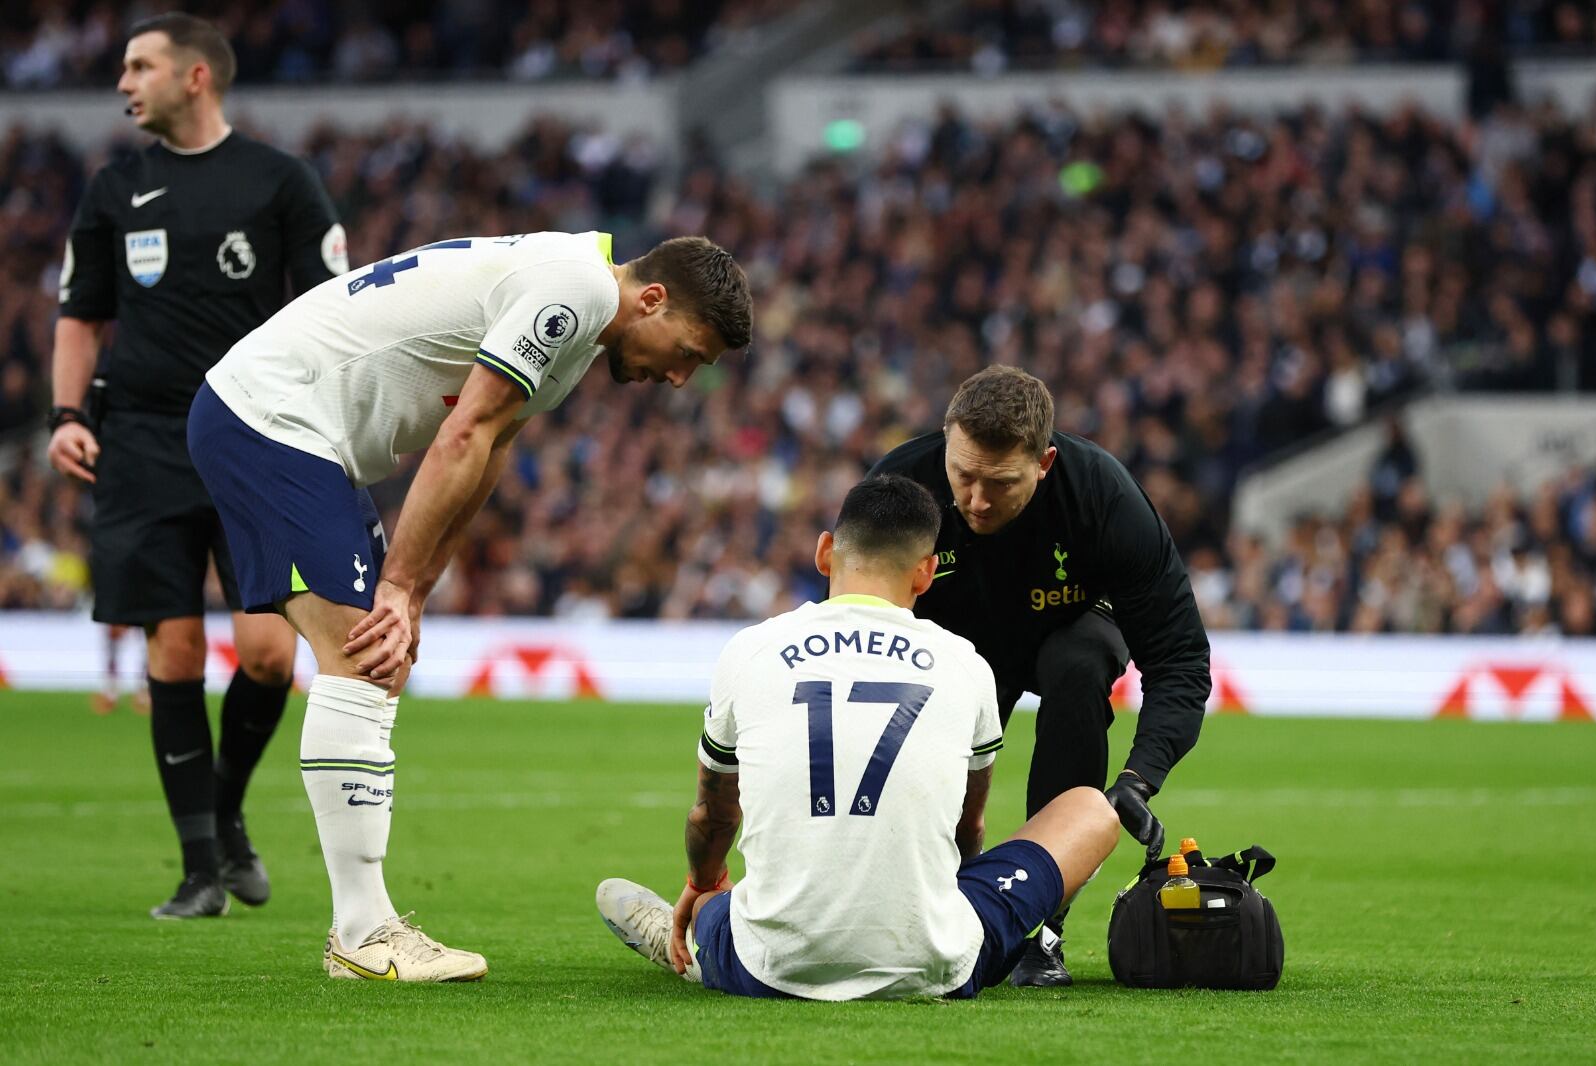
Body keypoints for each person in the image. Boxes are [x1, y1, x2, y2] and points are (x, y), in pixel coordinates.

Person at [187, 230, 752, 981]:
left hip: (301, 431)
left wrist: (413, 589)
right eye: (688, 351)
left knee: (378, 661)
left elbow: (490, 452)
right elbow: (462, 434)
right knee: (362, 656)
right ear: (652, 300)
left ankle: (365, 928)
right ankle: (362, 935)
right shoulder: (575, 290)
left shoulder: (577, 321)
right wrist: (394, 586)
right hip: (273, 418)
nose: (681, 377)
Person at [594, 474, 1122, 999]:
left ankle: (690, 939)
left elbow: (712, 815)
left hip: (773, 966)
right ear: (926, 574)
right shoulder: (966, 663)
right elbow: (968, 829)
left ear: (825, 552)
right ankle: (926, 934)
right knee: (1092, 812)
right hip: (939, 964)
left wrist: (702, 884)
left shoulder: (750, 649)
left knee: (715, 906)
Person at [48, 13, 348, 919]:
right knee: (172, 649)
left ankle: (223, 818)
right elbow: (80, 314)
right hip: (138, 437)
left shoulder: (279, 181)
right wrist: (67, 413)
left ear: (196, 78)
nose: (123, 81)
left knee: (266, 655)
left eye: (140, 65)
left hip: (253, 432)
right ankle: (197, 872)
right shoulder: (113, 188)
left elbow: (338, 307)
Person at [866, 365, 1212, 986]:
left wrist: (1139, 778)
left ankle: (1041, 930)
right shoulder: (899, 489)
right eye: (963, 475)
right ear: (945, 440)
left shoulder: (1103, 497)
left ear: (1046, 462)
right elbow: (856, 641)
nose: (975, 500)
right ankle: (899, 908)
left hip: (1074, 631)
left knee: (1076, 666)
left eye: (1000, 483)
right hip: (955, 651)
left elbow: (1180, 659)